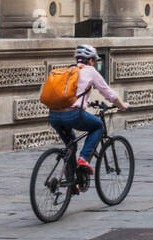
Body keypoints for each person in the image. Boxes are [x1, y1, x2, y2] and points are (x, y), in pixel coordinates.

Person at [47, 44, 129, 176]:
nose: (95, 63)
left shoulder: (69, 70)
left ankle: (71, 183)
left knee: (71, 146)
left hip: (54, 116)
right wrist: (122, 105)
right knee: (98, 126)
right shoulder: (90, 71)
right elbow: (109, 94)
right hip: (72, 115)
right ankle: (84, 159)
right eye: (94, 61)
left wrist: (87, 103)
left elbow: (70, 96)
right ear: (90, 60)